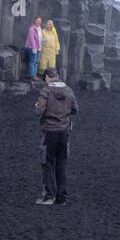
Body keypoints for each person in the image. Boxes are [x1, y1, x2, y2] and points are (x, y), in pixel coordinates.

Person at [35, 67, 78, 206]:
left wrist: (37, 106)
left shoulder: (46, 91)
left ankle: (48, 196)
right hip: (64, 132)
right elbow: (75, 109)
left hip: (49, 131)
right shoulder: (69, 90)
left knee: (47, 163)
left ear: (47, 77)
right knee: (62, 164)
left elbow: (38, 111)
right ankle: (61, 197)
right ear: (57, 76)